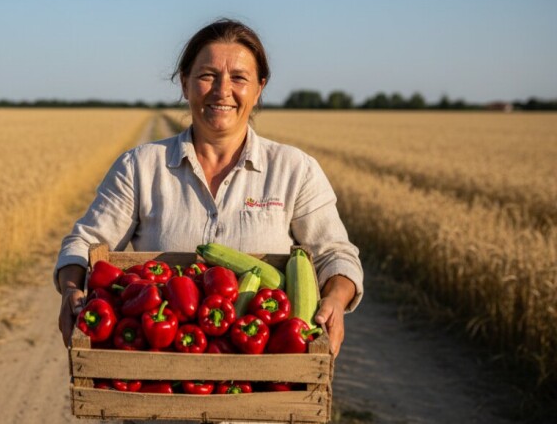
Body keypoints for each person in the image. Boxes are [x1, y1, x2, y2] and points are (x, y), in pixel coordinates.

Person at [55, 18, 363, 358]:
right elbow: (85, 243)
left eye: (239, 78)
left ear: (259, 88)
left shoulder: (295, 170)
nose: (222, 90)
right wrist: (72, 287)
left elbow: (336, 254)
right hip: (161, 389)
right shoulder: (140, 168)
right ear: (185, 83)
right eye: (207, 76)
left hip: (263, 392)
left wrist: (335, 297)